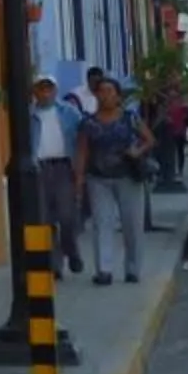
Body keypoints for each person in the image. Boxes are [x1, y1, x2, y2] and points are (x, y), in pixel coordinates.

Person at [74, 76, 155, 285]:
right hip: (98, 179)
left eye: (110, 91)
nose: (106, 95)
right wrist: (79, 179)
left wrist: (137, 151)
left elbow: (149, 139)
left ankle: (133, 269)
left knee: (132, 225)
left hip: (128, 176)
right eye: (102, 91)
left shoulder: (130, 118)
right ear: (96, 95)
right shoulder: (88, 123)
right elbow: (82, 151)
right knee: (102, 224)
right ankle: (104, 270)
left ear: (118, 96)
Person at [28, 72, 83, 274]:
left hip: (63, 167)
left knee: (67, 216)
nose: (45, 92)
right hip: (39, 169)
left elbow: (82, 137)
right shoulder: (29, 115)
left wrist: (80, 168)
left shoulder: (69, 112)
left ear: (55, 90)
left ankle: (72, 251)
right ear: (35, 92)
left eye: (49, 88)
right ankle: (55, 264)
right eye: (41, 88)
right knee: (45, 218)